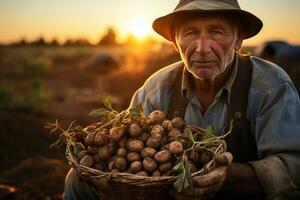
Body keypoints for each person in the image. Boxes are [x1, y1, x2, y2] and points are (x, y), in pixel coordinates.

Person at [63, 0, 300, 199]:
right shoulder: (156, 88)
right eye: (190, 33)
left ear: (238, 40)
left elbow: (294, 166)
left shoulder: (270, 86)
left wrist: (227, 177)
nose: (202, 48)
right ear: (176, 42)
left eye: (216, 31)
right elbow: (123, 144)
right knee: (78, 180)